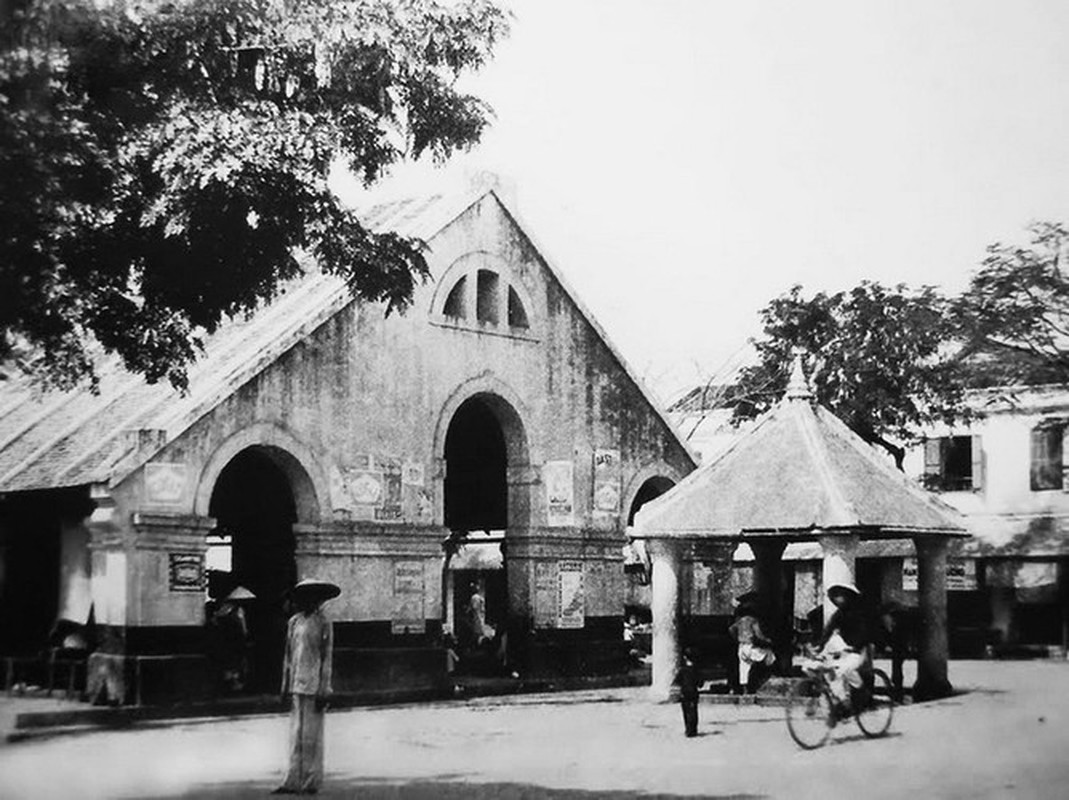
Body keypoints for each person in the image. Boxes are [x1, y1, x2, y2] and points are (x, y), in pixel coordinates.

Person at [275, 579, 338, 795]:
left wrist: (325, 688)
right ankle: (292, 780)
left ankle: (311, 782)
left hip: (314, 686)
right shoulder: (294, 622)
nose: (308, 601)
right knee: (296, 735)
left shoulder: (323, 622)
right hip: (296, 684)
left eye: (312, 598)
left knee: (312, 736)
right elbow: (288, 656)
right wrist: (284, 686)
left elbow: (326, 656)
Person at [819, 583, 872, 713]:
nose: (838, 599)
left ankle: (862, 693)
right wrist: (819, 645)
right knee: (831, 671)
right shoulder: (839, 614)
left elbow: (866, 633)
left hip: (861, 650)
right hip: (845, 650)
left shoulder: (861, 613)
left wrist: (855, 646)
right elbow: (829, 630)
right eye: (835, 596)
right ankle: (842, 701)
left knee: (845, 670)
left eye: (840, 595)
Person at [211, 586, 255, 693]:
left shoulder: (223, 610)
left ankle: (230, 684)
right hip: (235, 641)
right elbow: (243, 628)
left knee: (230, 664)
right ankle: (235, 685)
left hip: (226, 641)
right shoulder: (237, 611)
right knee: (236, 663)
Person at [728, 601, 775, 695]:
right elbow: (758, 634)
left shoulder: (740, 621)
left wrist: (737, 638)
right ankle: (764, 680)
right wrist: (767, 641)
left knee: (744, 668)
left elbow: (731, 629)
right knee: (770, 656)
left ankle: (745, 691)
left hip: (741, 647)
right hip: (750, 646)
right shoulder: (753, 620)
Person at [675, 648, 700, 737]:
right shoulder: (696, 669)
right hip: (694, 692)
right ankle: (694, 729)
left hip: (685, 692)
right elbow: (700, 683)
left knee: (686, 711)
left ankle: (688, 730)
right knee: (694, 710)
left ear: (685, 657)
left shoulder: (683, 670)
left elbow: (677, 681)